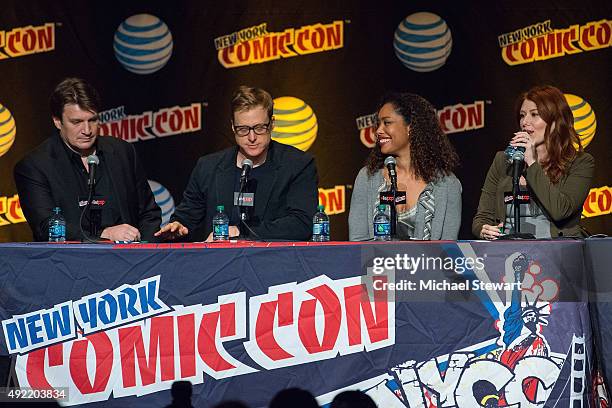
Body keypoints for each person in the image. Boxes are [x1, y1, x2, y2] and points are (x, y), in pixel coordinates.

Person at [156, 86, 318, 242]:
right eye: (243, 129)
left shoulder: (297, 164)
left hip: (275, 262)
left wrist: (240, 232)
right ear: (233, 127)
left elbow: (302, 223)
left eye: (260, 128)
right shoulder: (208, 166)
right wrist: (179, 226)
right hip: (218, 263)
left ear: (272, 124)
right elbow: (187, 216)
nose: (252, 137)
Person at [14, 77, 161, 242]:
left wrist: (145, 254)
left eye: (92, 120)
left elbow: (149, 214)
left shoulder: (122, 152)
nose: (87, 130)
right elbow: (45, 227)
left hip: (130, 260)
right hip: (69, 264)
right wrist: (104, 234)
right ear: (57, 121)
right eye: (76, 122)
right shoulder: (34, 166)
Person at [472, 85, 594, 239]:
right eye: (522, 115)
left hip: (558, 254)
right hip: (508, 255)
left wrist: (531, 161)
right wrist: (484, 230)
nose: (525, 122)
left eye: (534, 114)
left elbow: (561, 211)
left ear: (556, 121)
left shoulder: (580, 162)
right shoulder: (502, 160)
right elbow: (481, 218)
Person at [348, 92, 461, 241]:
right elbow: (357, 242)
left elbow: (448, 250)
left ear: (410, 127)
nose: (378, 131)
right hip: (376, 264)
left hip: (428, 264)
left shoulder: (447, 185)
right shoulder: (367, 178)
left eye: (387, 122)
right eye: (378, 124)